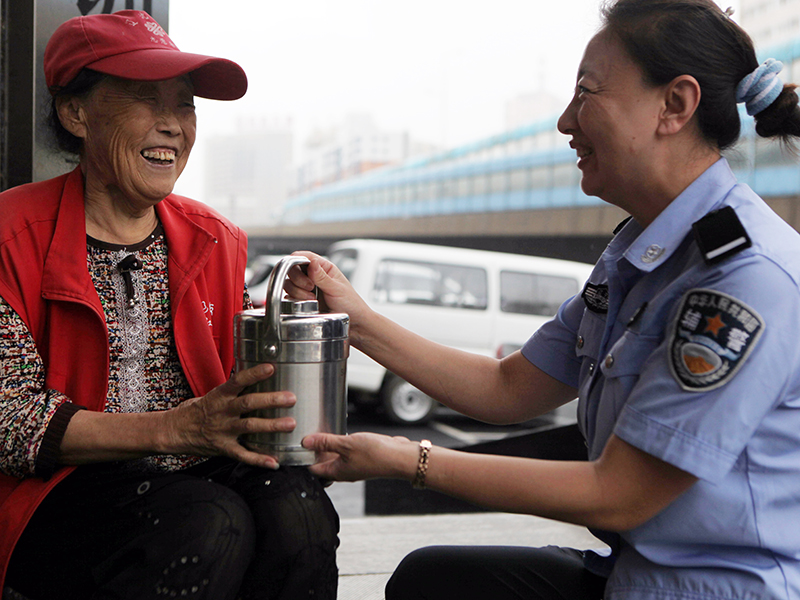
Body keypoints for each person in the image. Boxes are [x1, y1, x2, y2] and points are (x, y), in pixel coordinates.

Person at [289, 0, 800, 598]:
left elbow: (622, 493)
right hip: (635, 576)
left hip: (716, 589)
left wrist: (409, 461)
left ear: (675, 105)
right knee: (431, 580)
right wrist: (359, 320)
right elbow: (507, 388)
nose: (565, 120)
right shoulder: (639, 251)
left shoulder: (743, 277)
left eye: (587, 92)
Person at [0, 10, 338, 600]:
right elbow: (12, 423)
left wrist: (291, 324)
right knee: (209, 521)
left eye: (184, 104)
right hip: (56, 493)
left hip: (196, 473)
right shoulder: (9, 235)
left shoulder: (218, 239)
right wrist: (174, 429)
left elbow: (239, 392)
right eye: (144, 100)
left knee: (299, 509)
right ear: (75, 113)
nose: (172, 126)